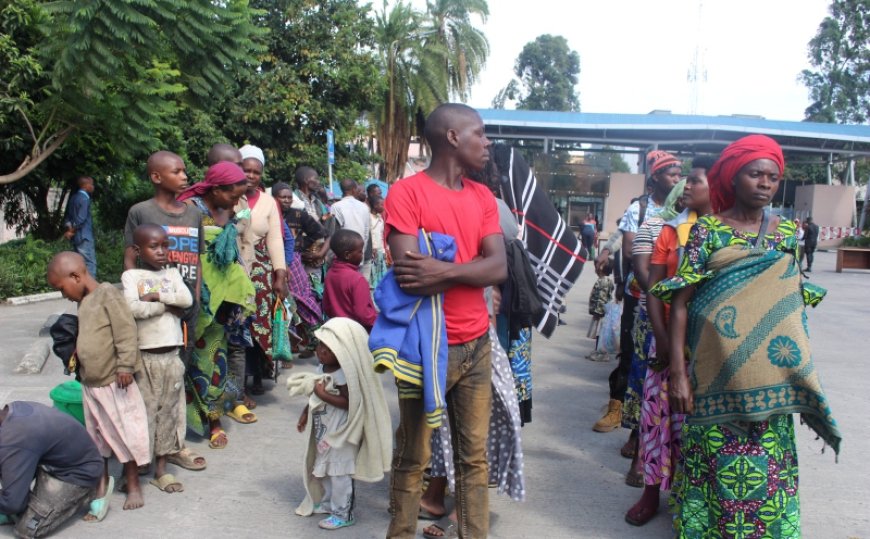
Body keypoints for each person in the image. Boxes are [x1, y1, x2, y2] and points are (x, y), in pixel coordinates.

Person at [650, 135, 841, 537]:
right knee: (713, 478)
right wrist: (679, 374)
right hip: (713, 383)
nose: (765, 183)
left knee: (769, 480)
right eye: (755, 174)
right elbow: (682, 303)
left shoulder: (787, 233)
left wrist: (800, 377)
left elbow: (789, 307)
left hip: (769, 386)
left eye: (773, 176)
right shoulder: (707, 233)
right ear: (733, 178)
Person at [377, 103, 507, 539]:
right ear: (453, 137)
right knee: (414, 456)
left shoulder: (483, 197)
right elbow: (411, 276)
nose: (487, 143)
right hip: (425, 347)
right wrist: (469, 269)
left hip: (477, 344)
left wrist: (446, 270)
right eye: (480, 134)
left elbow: (499, 268)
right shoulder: (407, 192)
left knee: (474, 459)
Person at [624, 156, 714, 526]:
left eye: (695, 180)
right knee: (657, 419)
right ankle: (650, 494)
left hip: (711, 346)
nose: (686, 186)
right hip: (666, 340)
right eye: (684, 179)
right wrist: (661, 340)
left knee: (697, 425)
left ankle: (694, 497)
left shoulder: (728, 232)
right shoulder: (668, 231)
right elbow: (657, 289)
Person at [46, 252, 151, 515]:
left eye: (62, 289)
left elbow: (126, 330)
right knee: (97, 438)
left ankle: (134, 482)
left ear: (76, 276)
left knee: (123, 434)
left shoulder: (107, 294)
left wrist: (126, 365)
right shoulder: (83, 301)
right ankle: (101, 483)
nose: (64, 295)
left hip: (115, 382)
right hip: (91, 385)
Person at [123, 150, 208, 473]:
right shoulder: (140, 212)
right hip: (151, 313)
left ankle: (174, 445)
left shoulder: (193, 214)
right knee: (148, 385)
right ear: (157, 177)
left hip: (184, 306)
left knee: (177, 378)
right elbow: (130, 258)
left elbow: (196, 263)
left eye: (185, 170)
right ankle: (146, 448)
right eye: (177, 171)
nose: (184, 176)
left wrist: (195, 300)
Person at [592, 150, 681, 434]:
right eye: (672, 174)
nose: (679, 180)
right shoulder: (640, 209)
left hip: (674, 294)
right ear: (656, 177)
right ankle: (618, 408)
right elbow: (627, 247)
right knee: (632, 352)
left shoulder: (685, 211)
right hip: (640, 291)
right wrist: (609, 254)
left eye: (680, 174)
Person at [178, 162, 256, 449]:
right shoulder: (187, 208)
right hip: (193, 295)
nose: (236, 202)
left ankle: (214, 419)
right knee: (187, 365)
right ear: (216, 188)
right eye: (233, 195)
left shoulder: (228, 210)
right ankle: (184, 426)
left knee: (214, 362)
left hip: (223, 302)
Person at [291, 318, 392, 531]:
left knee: (340, 474)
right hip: (325, 433)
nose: (321, 351)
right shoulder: (321, 367)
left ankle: (343, 513)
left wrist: (324, 395)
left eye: (328, 348)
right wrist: (305, 414)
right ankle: (329, 504)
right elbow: (313, 397)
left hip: (342, 434)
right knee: (327, 471)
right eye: (319, 345)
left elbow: (349, 403)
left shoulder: (345, 374)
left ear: (344, 350)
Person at [121, 224, 194, 494]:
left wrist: (155, 296)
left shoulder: (173, 273)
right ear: (139, 251)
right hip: (144, 358)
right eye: (154, 246)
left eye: (165, 245)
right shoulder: (131, 277)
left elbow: (186, 299)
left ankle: (161, 470)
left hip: (171, 356)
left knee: (169, 412)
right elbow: (133, 308)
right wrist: (167, 305)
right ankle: (140, 463)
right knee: (143, 414)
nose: (162, 251)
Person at [0, 401, 103, 538]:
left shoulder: (15, 438)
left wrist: (11, 501)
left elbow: (13, 504)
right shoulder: (12, 412)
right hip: (52, 458)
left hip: (78, 473)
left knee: (27, 528)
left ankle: (88, 492)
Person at [236, 144, 288, 391]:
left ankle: (258, 375)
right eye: (246, 170)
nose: (251, 175)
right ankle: (237, 378)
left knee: (260, 324)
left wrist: (280, 274)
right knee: (236, 323)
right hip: (234, 270)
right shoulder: (229, 197)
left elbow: (275, 239)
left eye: (256, 172)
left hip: (261, 272)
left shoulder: (269, 202)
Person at [272, 182, 326, 349]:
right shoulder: (271, 213)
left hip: (293, 261)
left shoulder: (298, 214)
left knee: (301, 298)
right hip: (273, 260)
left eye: (289, 197)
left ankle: (315, 340)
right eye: (283, 197)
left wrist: (302, 246)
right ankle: (288, 345)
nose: (287, 200)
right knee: (280, 302)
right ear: (274, 198)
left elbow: (320, 232)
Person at [322, 229, 377, 332]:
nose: (362, 254)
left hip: (337, 329)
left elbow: (326, 305)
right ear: (347, 255)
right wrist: (377, 321)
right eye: (360, 251)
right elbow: (363, 314)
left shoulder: (330, 274)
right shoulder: (358, 279)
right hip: (356, 331)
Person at [63, 176, 97, 278]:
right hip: (84, 236)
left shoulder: (73, 198)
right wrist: (72, 231)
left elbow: (68, 217)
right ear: (86, 186)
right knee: (90, 263)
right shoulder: (85, 199)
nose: (93, 187)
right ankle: (91, 290)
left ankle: (81, 288)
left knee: (79, 263)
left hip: (76, 238)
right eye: (92, 184)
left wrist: (69, 230)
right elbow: (81, 219)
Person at [331, 179, 371, 255]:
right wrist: (361, 251)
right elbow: (366, 233)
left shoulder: (335, 206)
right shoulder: (364, 207)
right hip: (358, 253)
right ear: (353, 190)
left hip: (342, 254)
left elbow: (333, 233)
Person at [587, 257, 614, 362]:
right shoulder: (604, 280)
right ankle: (597, 351)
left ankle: (602, 353)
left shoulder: (604, 282)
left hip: (601, 313)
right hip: (600, 312)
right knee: (598, 333)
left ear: (601, 267)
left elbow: (602, 299)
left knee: (600, 333)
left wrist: (598, 313)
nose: (595, 269)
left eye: (596, 266)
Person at [367, 194, 387, 289]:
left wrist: (383, 250)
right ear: (375, 206)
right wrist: (372, 248)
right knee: (373, 274)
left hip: (380, 250)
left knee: (381, 273)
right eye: (381, 205)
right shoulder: (368, 217)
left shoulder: (380, 218)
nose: (383, 207)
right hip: (372, 250)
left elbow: (381, 235)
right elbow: (369, 234)